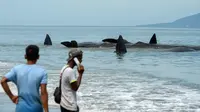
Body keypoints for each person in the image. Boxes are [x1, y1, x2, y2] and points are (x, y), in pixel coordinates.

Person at [1, 45, 49, 112]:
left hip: (20, 108)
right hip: (36, 108)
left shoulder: (17, 69)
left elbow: (3, 81)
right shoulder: (42, 72)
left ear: (25, 56)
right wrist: (46, 110)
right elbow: (43, 93)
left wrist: (12, 97)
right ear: (38, 57)